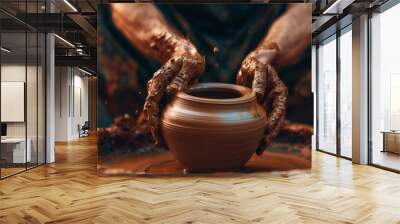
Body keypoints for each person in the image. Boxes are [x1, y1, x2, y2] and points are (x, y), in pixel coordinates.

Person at [98, 3, 312, 155]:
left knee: (330, 22)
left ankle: (281, 132)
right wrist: (172, 47)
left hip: (269, 32)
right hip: (166, 31)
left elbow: (306, 7)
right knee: (99, 18)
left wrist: (269, 54)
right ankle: (145, 133)